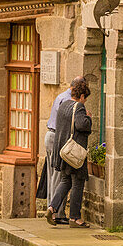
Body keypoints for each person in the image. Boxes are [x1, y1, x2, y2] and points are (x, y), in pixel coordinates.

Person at [46, 77, 92, 228]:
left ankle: (52, 207)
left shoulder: (64, 103)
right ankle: (75, 218)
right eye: (85, 98)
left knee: (65, 181)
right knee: (77, 183)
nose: (85, 101)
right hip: (74, 152)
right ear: (82, 96)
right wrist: (88, 119)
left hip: (63, 150)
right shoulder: (78, 106)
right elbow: (81, 125)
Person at [44, 80, 75, 213]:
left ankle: (50, 209)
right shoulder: (68, 100)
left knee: (52, 176)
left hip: (50, 135)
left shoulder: (61, 95)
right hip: (57, 137)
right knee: (58, 176)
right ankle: (56, 212)